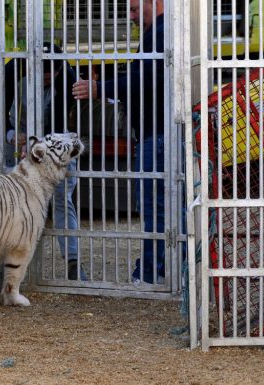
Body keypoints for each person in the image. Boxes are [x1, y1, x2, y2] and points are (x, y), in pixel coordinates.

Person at [73, 0, 166, 285]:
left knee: (154, 207)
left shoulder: (162, 33)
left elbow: (145, 79)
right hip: (152, 134)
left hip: (157, 135)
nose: (132, 16)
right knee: (157, 206)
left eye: (137, 9)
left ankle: (152, 273)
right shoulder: (155, 33)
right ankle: (159, 269)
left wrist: (101, 88)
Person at [0, 42, 87, 281]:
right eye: (42, 77)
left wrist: (37, 145)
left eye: (50, 78)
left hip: (51, 141)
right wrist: (12, 135)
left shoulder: (65, 73)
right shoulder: (13, 69)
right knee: (14, 200)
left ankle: (73, 262)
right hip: (18, 137)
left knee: (62, 200)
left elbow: (59, 116)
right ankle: (7, 265)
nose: (47, 81)